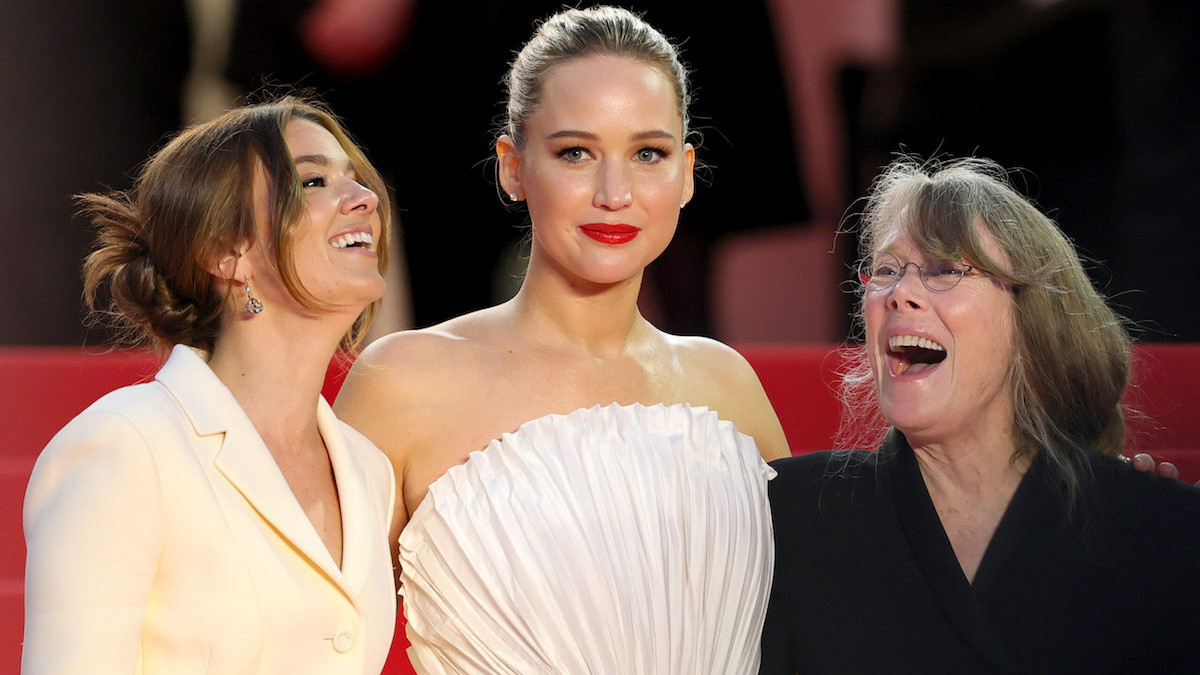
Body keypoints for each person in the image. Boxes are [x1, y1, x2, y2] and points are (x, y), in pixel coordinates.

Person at [333, 6, 789, 673]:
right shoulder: (403, 381)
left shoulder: (727, 384)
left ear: (688, 172)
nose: (614, 192)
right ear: (513, 168)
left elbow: (814, 628)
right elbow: (306, 628)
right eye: (576, 153)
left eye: (649, 154)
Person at [760, 157, 1200, 674]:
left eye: (945, 269)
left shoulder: (1163, 532)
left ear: (1031, 320)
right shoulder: (785, 513)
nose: (899, 293)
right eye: (885, 270)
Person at [22, 96, 399, 674]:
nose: (364, 198)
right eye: (314, 181)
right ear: (226, 253)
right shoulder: (126, 445)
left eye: (355, 178)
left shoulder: (368, 469)